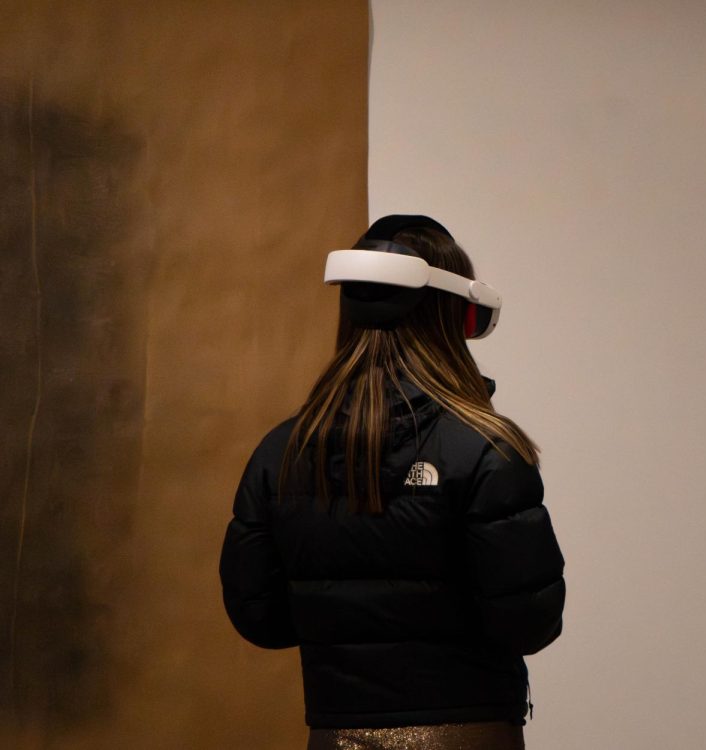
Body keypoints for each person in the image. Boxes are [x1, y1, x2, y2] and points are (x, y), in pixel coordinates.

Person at [219, 215, 565, 750]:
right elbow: (530, 623)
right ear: (455, 318)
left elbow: (260, 618)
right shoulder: (485, 450)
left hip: (334, 735)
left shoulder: (280, 453)